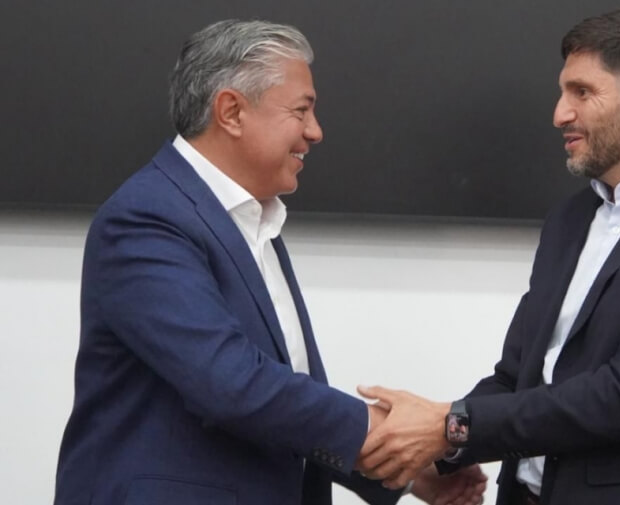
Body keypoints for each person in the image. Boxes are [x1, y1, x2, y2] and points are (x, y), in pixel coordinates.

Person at [54, 19, 486, 505]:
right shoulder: (146, 219)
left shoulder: (253, 222)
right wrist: (384, 433)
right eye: (301, 111)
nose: (315, 132)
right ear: (232, 111)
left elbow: (280, 398)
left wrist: (399, 472)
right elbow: (230, 382)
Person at [356, 6, 620, 505]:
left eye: (582, 92)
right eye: (564, 92)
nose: (560, 113)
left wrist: (453, 426)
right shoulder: (570, 219)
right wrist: (438, 450)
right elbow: (517, 378)